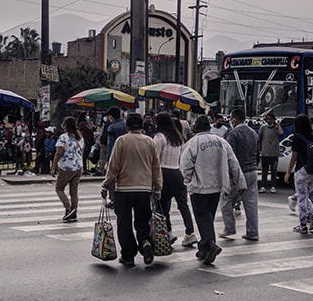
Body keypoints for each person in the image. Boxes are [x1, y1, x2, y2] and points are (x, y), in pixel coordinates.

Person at [180, 115, 245, 265]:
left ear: (196, 128)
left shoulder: (192, 143)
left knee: (202, 217)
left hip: (199, 187)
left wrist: (187, 180)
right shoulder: (221, 142)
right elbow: (233, 163)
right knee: (209, 215)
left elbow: (185, 166)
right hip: (217, 186)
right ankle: (204, 248)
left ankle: (210, 245)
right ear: (209, 127)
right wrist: (240, 183)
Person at [101, 113, 162, 266]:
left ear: (127, 126)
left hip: (124, 189)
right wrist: (157, 189)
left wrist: (106, 185)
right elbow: (156, 167)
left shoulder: (121, 141)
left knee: (124, 223)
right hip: (144, 189)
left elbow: (113, 166)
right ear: (142, 126)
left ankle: (128, 255)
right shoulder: (150, 142)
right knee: (142, 220)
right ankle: (145, 242)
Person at [153, 111, 196, 247]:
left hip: (164, 173)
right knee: (183, 205)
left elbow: (155, 159)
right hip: (177, 173)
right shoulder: (178, 138)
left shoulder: (159, 138)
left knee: (162, 206)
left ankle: (168, 232)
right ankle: (190, 232)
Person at [220, 108, 260, 241]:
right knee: (251, 203)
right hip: (252, 171)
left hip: (239, 173)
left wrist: (231, 174)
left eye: (231, 119)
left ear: (234, 119)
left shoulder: (233, 133)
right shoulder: (253, 132)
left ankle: (229, 228)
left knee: (226, 200)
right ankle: (253, 232)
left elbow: (230, 156)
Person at [284, 114, 313, 233]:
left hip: (302, 170)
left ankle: (303, 224)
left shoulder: (297, 137)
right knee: (304, 196)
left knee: (301, 198)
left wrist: (288, 172)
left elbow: (294, 156)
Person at [51, 117, 85, 223]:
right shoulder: (80, 138)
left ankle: (68, 208)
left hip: (66, 167)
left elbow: (58, 153)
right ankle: (74, 212)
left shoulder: (63, 137)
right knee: (73, 191)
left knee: (59, 188)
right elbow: (81, 152)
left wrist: (53, 167)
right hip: (78, 166)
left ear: (65, 125)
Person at [258, 112, 282, 193]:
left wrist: (278, 125)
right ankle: (263, 186)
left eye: (270, 119)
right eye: (267, 119)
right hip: (265, 152)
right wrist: (260, 148)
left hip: (274, 153)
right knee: (264, 170)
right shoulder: (263, 127)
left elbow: (281, 133)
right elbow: (259, 138)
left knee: (273, 170)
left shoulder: (275, 128)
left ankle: (273, 186)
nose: (269, 121)